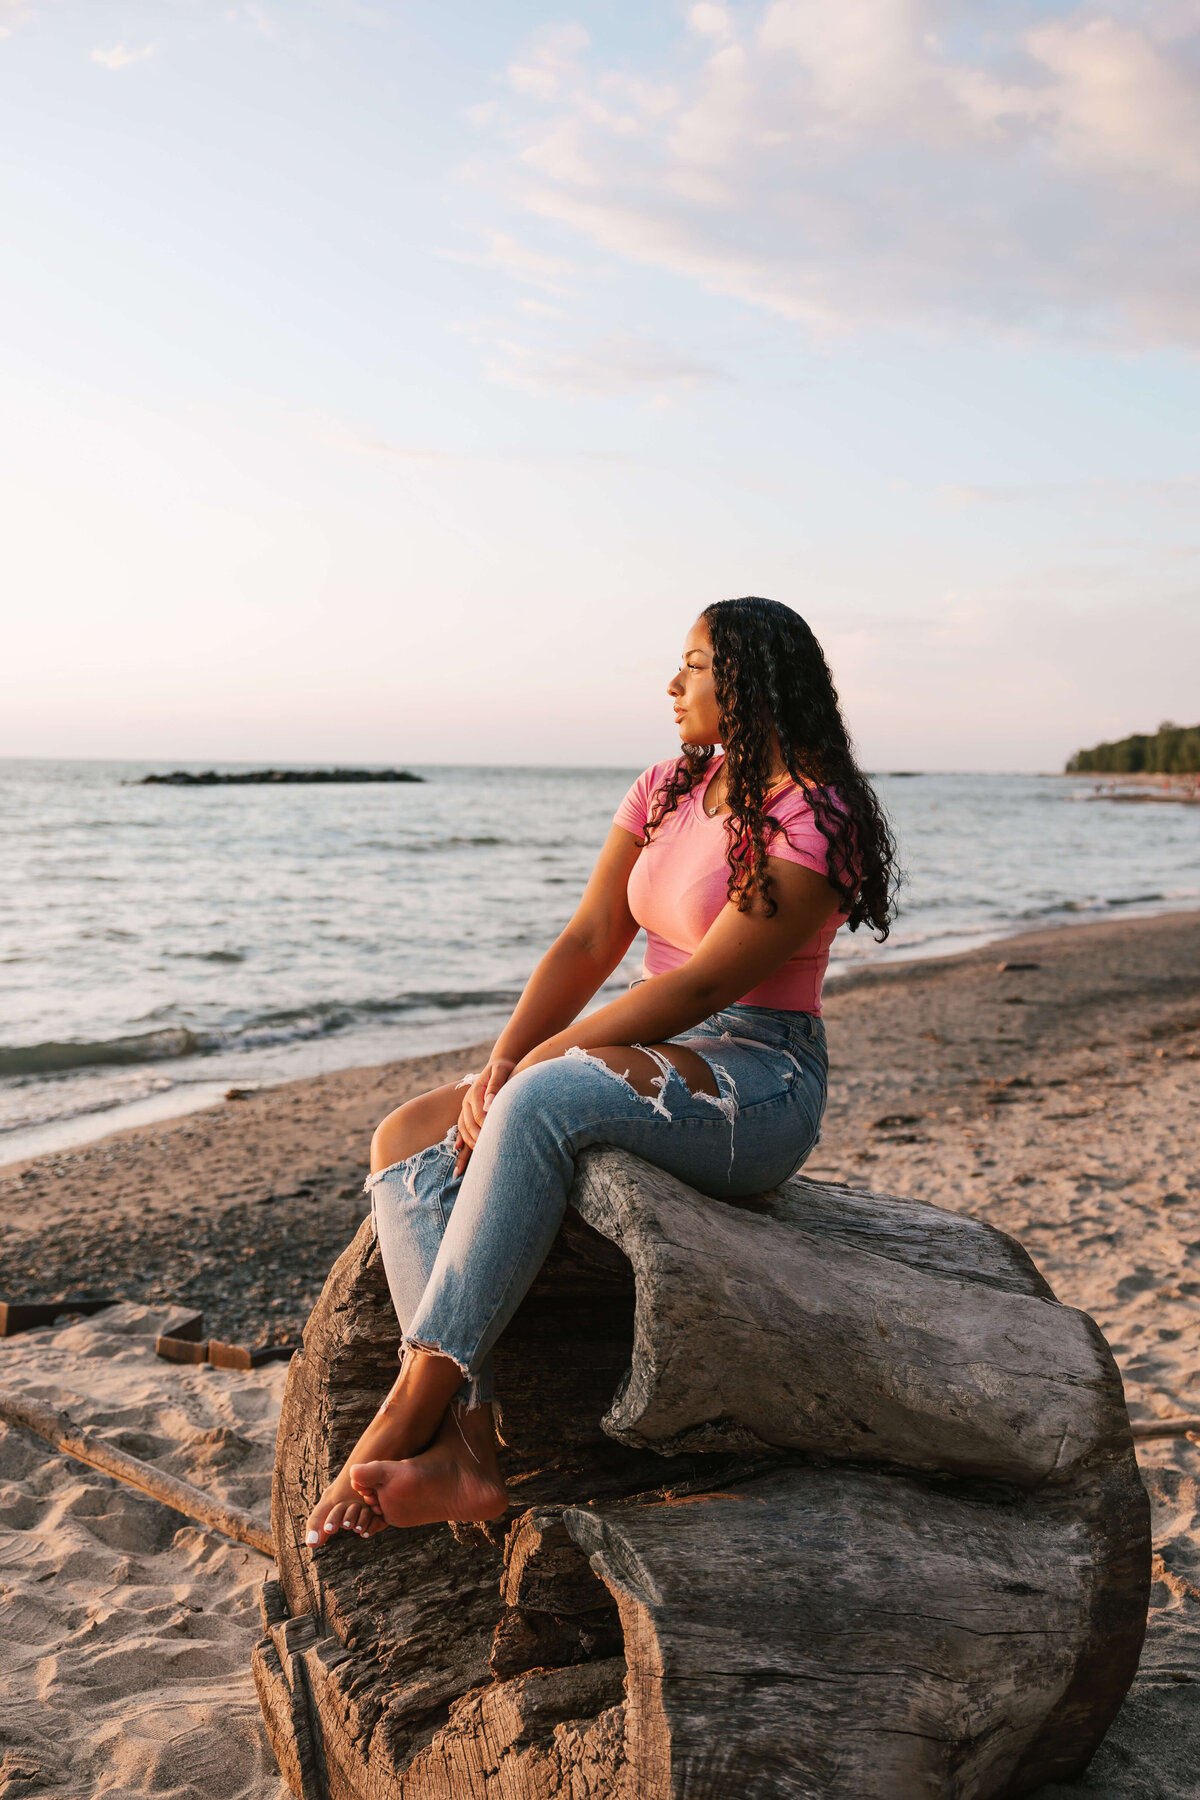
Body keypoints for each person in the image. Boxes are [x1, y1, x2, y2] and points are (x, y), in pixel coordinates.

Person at [304, 596, 898, 1545]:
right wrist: (503, 1059)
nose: (672, 684)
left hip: (757, 1078)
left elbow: (704, 984)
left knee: (537, 1098)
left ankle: (411, 1402)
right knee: (408, 1136)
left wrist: (538, 1068)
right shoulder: (666, 788)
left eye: (694, 664)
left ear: (747, 679)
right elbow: (587, 941)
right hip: (657, 1053)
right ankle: (468, 1445)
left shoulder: (814, 816)